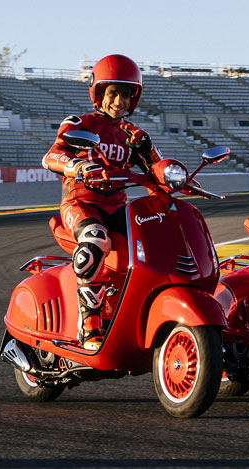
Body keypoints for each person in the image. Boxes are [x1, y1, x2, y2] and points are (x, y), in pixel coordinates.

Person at [42, 54, 161, 351]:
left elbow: (158, 168)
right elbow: (51, 156)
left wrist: (175, 175)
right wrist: (77, 167)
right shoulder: (79, 124)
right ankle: (90, 325)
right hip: (80, 204)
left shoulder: (135, 136)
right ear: (98, 93)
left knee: (158, 239)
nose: (120, 101)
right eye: (113, 93)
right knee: (96, 240)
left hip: (118, 208)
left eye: (126, 94)